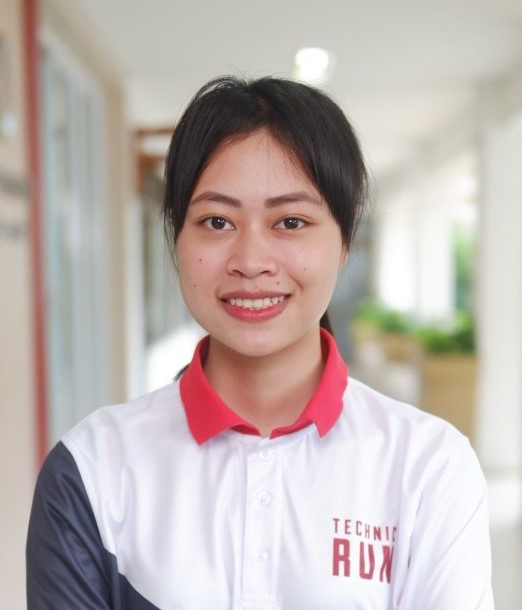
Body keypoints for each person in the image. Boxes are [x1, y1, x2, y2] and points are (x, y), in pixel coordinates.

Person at [26, 75, 494, 609]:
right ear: (176, 237)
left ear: (345, 239)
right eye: (216, 221)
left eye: (290, 221)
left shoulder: (428, 467)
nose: (251, 261)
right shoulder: (92, 468)